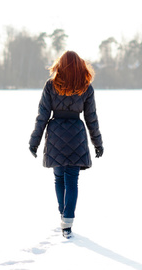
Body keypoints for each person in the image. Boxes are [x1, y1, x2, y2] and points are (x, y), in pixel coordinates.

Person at [29, 51, 103, 239]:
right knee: (72, 180)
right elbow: (91, 118)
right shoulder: (86, 87)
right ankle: (67, 222)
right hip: (77, 135)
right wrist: (97, 142)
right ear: (80, 66)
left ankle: (63, 214)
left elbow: (42, 115)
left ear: (60, 66)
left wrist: (34, 141)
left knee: (59, 179)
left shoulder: (50, 85)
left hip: (55, 134)